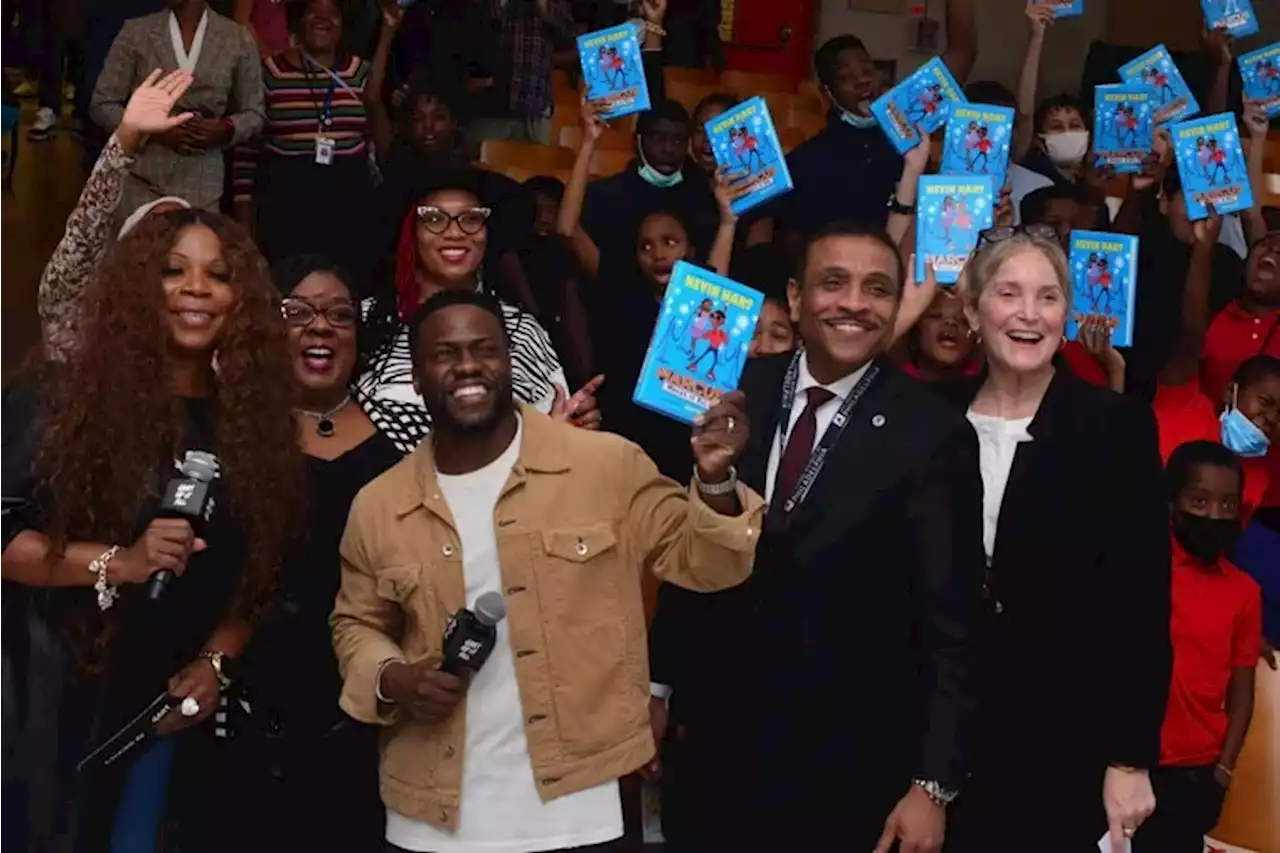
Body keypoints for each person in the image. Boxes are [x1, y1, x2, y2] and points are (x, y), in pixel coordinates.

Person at [330, 288, 765, 853]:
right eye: (445, 354)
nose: (467, 366)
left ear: (510, 362)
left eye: (484, 349)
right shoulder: (378, 504)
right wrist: (394, 678)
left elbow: (710, 564)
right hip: (430, 818)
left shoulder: (605, 464)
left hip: (581, 816)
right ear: (416, 376)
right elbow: (354, 625)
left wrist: (713, 481)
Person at [649, 223, 985, 850]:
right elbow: (688, 552)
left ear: (894, 309)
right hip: (717, 740)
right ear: (797, 299)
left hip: (850, 761)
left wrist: (933, 784)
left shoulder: (932, 432)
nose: (855, 303)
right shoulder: (735, 393)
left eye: (877, 289)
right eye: (834, 283)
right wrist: (657, 687)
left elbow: (953, 623)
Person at [0, 209, 305, 852]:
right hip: (47, 703)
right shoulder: (59, 397)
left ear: (239, 301)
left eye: (218, 275)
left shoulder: (250, 428)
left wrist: (215, 661)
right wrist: (121, 562)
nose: (197, 287)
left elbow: (260, 571)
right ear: (137, 289)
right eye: (173, 271)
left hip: (159, 718)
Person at [939, 231, 1170, 851]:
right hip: (937, 737)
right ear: (971, 310)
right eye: (1007, 293)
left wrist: (1129, 759)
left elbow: (1142, 603)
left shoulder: (1115, 428)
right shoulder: (930, 418)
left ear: (1066, 315)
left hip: (1066, 733)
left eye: (1047, 297)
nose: (1027, 314)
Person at [215, 254, 399, 853]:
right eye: (299, 312)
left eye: (339, 315)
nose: (320, 327)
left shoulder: (402, 436)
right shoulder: (232, 430)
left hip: (363, 705)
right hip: (244, 701)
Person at [358, 169, 597, 455]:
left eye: (471, 219)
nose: (455, 232)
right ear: (411, 233)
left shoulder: (520, 329)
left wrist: (568, 428)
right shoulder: (363, 320)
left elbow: (556, 425)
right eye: (434, 219)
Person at [754, 0, 976, 249]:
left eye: (867, 69)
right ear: (827, 93)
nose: (861, 81)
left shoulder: (909, 125)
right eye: (845, 77)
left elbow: (963, 52)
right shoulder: (806, 161)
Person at [1132, 440, 1262, 853]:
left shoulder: (1244, 592)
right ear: (1173, 504)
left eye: (1228, 504)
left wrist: (1223, 768)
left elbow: (1242, 689)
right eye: (1200, 500)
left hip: (1195, 773)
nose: (1214, 514)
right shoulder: (1142, 568)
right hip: (1128, 759)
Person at [37, 69, 196, 362]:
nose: (167, 242)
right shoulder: (85, 324)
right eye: (155, 232)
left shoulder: (217, 354)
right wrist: (127, 136)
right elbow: (84, 236)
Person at [232, 0, 375, 274]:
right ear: (298, 18)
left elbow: (376, 141)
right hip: (286, 216)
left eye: (333, 13)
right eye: (313, 12)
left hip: (351, 215)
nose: (323, 20)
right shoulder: (270, 72)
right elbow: (246, 156)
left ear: (345, 23)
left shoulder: (362, 74)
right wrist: (245, 230)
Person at [1155, 211, 1280, 522]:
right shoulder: (1213, 318)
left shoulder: (1258, 479)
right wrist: (1203, 248)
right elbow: (1189, 338)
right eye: (1265, 246)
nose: (1272, 253)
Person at [89, 0, 265, 215]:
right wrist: (152, 130)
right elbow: (102, 104)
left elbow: (255, 113)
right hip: (141, 180)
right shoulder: (136, 33)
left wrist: (226, 128)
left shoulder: (237, 38)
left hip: (204, 185)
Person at [579, 97, 720, 272]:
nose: (668, 148)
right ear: (636, 142)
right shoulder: (604, 196)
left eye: (678, 140)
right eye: (658, 138)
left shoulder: (703, 198)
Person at [464, 0, 574, 147]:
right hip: (490, 108)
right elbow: (470, 30)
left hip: (535, 106)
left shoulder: (554, 3)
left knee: (537, 167)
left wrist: (544, 7)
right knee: (483, 164)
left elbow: (568, 41)